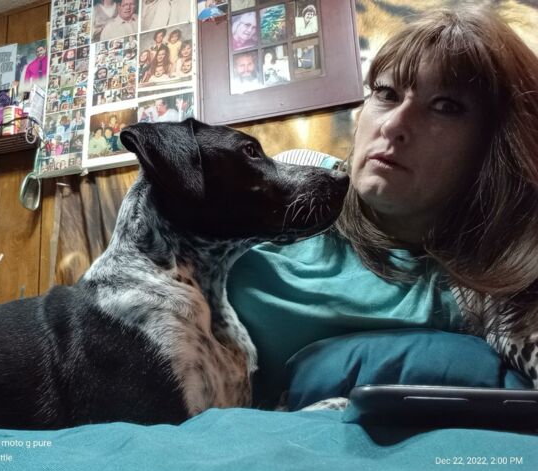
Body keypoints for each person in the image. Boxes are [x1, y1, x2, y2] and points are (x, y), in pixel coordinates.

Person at [226, 6, 538, 406]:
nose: (393, 125)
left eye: (445, 106)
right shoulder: (294, 175)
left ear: (496, 143)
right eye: (387, 94)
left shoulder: (485, 288)